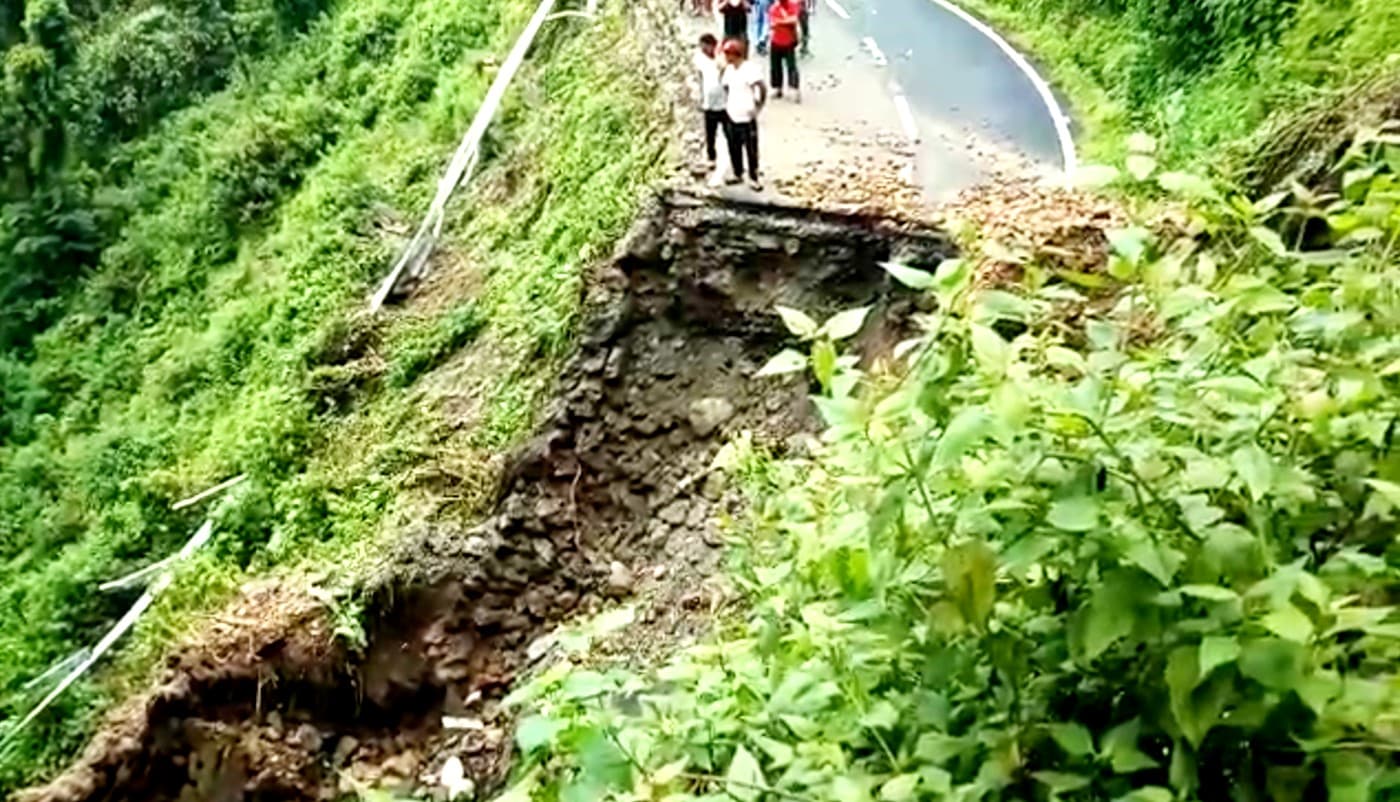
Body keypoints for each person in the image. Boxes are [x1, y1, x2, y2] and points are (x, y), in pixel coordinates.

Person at [717, 36, 765, 190]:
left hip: (747, 115)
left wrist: (758, 106)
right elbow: (725, 85)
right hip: (732, 113)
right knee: (733, 146)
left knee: (751, 149)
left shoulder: (749, 70)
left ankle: (753, 177)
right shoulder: (729, 70)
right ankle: (737, 172)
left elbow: (761, 86)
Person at [693, 34, 726, 171]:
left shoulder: (722, 58)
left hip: (724, 102)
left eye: (705, 46)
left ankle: (737, 162)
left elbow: (724, 69)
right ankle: (711, 158)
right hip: (709, 102)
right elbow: (699, 77)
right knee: (710, 134)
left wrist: (718, 56)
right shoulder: (700, 59)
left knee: (731, 134)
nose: (703, 49)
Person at [768, 0, 800, 100]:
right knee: (775, 66)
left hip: (789, 41)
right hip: (776, 41)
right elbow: (772, 23)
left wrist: (780, 21)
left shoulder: (792, 5)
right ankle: (777, 88)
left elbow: (794, 19)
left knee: (791, 66)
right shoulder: (774, 8)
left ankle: (793, 88)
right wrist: (785, 21)